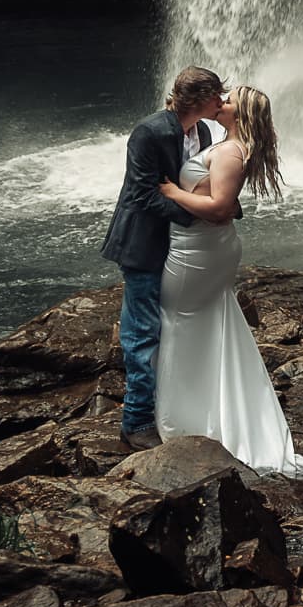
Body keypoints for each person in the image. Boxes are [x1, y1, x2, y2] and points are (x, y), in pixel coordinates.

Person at [154, 85, 303, 477]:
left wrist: (172, 191)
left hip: (200, 251)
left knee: (179, 323)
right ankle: (214, 411)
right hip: (204, 249)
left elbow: (220, 208)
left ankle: (187, 420)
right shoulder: (227, 144)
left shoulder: (229, 152)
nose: (221, 100)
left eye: (228, 101)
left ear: (240, 116)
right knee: (208, 325)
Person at [100, 66, 225, 451]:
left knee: (173, 326)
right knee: (142, 333)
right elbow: (140, 195)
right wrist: (197, 213)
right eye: (217, 95)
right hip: (143, 244)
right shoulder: (149, 131)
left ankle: (168, 408)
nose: (222, 102)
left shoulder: (202, 132)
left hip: (178, 245)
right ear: (201, 99)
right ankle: (134, 422)